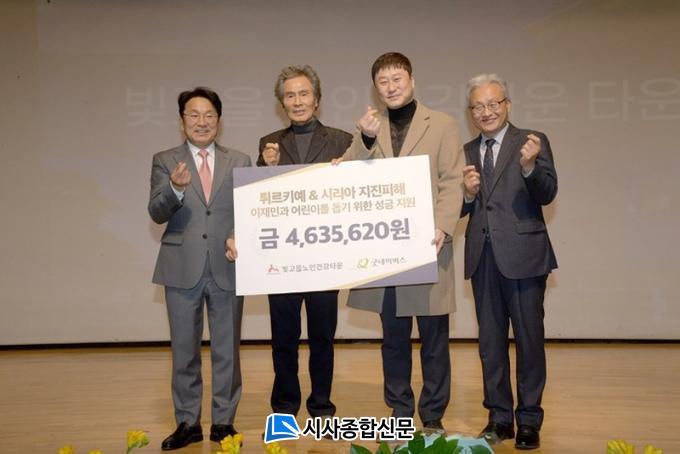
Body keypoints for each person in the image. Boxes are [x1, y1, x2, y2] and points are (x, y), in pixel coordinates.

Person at [340, 52, 464, 434]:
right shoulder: (368, 128)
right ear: (375, 89)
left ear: (411, 80)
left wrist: (443, 226)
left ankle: (433, 414)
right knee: (393, 338)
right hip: (386, 252)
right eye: (383, 81)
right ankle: (400, 411)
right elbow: (346, 176)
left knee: (433, 338)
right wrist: (364, 139)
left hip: (429, 246)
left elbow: (453, 180)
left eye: (397, 79)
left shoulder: (441, 124)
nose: (391, 87)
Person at [148, 87, 251, 451]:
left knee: (227, 350)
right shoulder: (165, 160)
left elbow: (249, 210)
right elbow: (156, 212)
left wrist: (238, 233)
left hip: (228, 265)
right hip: (181, 267)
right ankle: (187, 422)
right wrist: (175, 189)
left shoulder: (240, 160)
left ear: (219, 121)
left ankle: (224, 422)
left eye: (209, 115)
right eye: (194, 115)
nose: (202, 122)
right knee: (184, 350)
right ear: (182, 121)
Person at [460, 73, 558, 450]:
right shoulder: (465, 150)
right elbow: (457, 207)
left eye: (493, 104)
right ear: (470, 112)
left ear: (507, 105)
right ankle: (499, 419)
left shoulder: (531, 141)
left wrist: (531, 167)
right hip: (482, 257)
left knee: (529, 341)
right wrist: (467, 195)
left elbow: (547, 193)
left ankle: (529, 420)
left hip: (524, 256)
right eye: (478, 107)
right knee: (490, 344)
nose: (486, 112)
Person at [257, 65, 353, 420]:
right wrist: (265, 167)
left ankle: (321, 406)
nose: (297, 101)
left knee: (322, 338)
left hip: (325, 256)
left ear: (317, 99)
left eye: (303, 94)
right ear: (281, 103)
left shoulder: (342, 141)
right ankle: (284, 409)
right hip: (282, 258)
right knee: (283, 338)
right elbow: (258, 200)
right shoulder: (269, 144)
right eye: (290, 96)